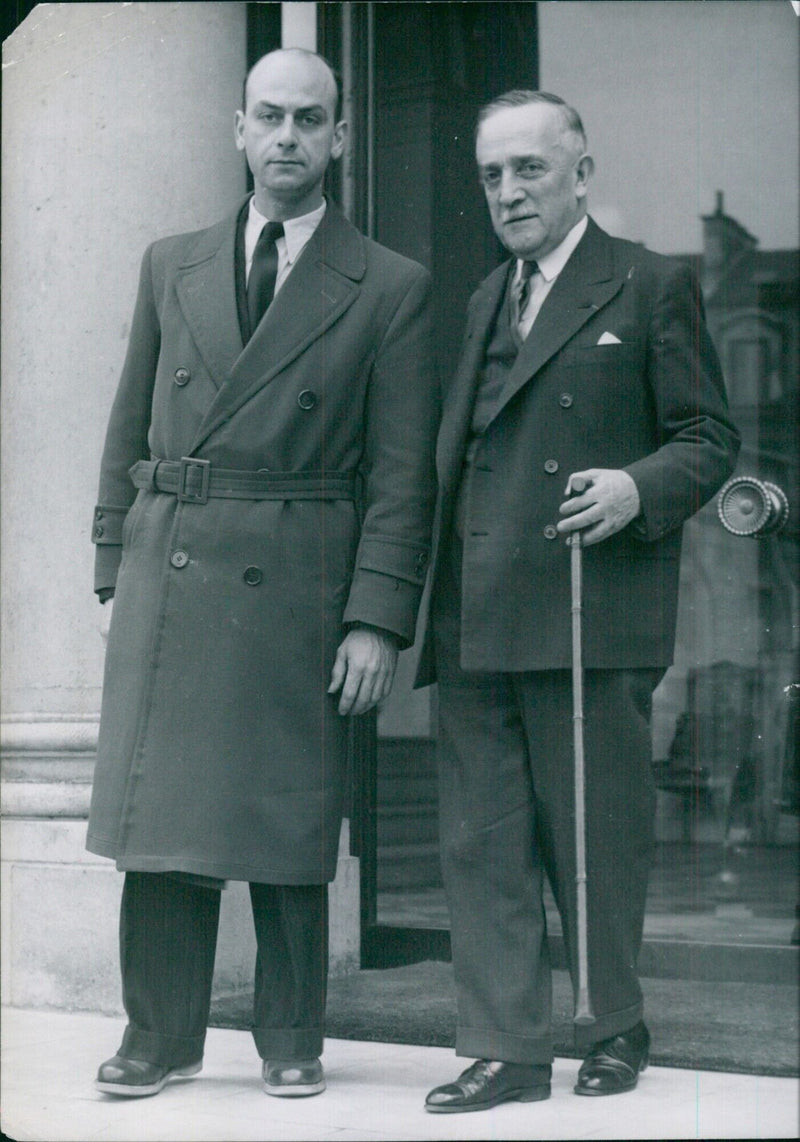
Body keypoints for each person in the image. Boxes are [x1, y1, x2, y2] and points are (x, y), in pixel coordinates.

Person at [87, 48, 436, 1100]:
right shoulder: (171, 262)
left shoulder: (388, 285)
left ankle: (291, 1031)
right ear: (239, 130)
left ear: (339, 137)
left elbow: (400, 475)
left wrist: (374, 616)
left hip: (300, 575)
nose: (288, 137)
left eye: (310, 120)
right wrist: (113, 559)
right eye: (270, 117)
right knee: (162, 816)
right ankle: (159, 1033)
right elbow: (127, 419)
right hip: (175, 554)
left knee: (289, 813)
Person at [417, 90, 740, 1113]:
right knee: (482, 842)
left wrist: (634, 486)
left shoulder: (645, 284)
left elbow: (706, 438)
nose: (508, 191)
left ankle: (612, 1024)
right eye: (492, 175)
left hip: (580, 604)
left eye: (528, 169)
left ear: (579, 173)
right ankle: (505, 1045)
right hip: (476, 607)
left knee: (592, 833)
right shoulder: (480, 300)